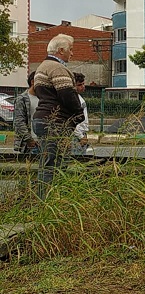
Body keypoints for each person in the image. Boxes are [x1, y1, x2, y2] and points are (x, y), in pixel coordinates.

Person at [33, 34, 85, 199]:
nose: (72, 53)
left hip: (43, 118)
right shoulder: (57, 69)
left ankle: (45, 200)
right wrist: (78, 114)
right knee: (55, 164)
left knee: (47, 163)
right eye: (70, 49)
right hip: (54, 121)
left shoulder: (42, 66)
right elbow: (67, 94)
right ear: (61, 50)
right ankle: (49, 203)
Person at [13, 72, 38, 157]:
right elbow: (19, 121)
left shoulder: (45, 98)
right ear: (33, 82)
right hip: (30, 144)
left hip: (43, 142)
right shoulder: (22, 99)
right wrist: (29, 139)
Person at [72, 72, 90, 157]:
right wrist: (80, 136)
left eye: (83, 84)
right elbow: (73, 120)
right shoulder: (72, 99)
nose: (83, 86)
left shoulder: (80, 98)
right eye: (79, 85)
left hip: (83, 133)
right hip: (77, 136)